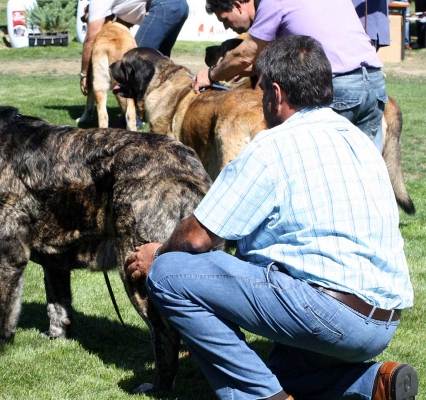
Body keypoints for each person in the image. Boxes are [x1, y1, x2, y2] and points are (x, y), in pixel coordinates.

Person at [126, 35, 417, 400]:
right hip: (382, 320)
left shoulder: (272, 146)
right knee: (275, 368)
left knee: (169, 275)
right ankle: (372, 383)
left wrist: (160, 252)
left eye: (260, 90)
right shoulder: (359, 139)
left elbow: (200, 237)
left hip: (329, 313)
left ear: (276, 94)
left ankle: (262, 397)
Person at [192, 0, 388, 152]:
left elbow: (245, 54)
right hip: (373, 83)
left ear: (237, 5)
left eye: (225, 19)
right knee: (367, 170)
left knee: (320, 172)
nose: (227, 27)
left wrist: (210, 75)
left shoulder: (274, 2)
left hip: (337, 88)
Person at [80, 0, 189, 97]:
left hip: (164, 6)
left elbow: (91, 38)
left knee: (133, 61)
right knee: (161, 65)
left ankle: (131, 117)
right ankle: (163, 108)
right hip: (180, 5)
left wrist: (84, 74)